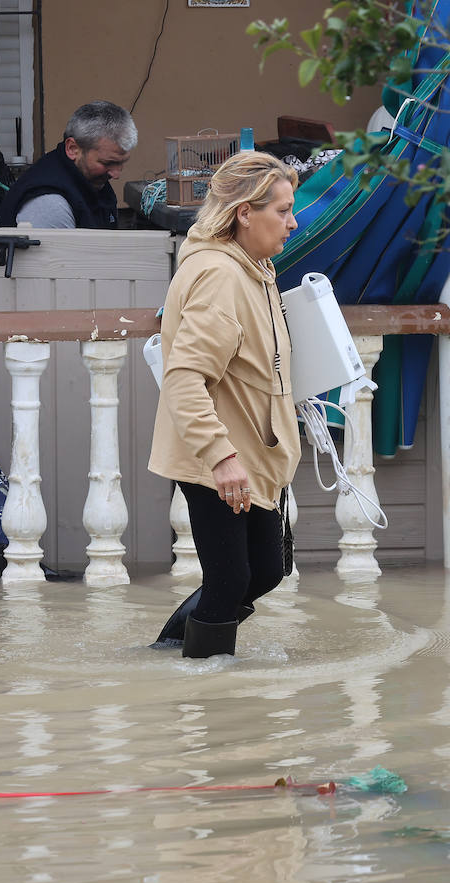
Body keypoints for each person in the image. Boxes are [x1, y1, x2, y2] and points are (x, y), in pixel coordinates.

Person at [147, 151, 301, 658]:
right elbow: (186, 378)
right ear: (244, 213)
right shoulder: (221, 277)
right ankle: (202, 683)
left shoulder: (255, 268)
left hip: (248, 452)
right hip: (217, 459)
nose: (292, 222)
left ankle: (172, 648)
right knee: (230, 577)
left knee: (265, 570)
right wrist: (221, 457)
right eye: (282, 211)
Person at [0, 100, 137, 229]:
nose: (116, 174)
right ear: (72, 149)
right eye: (108, 163)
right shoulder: (51, 206)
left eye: (121, 163)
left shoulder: (91, 181)